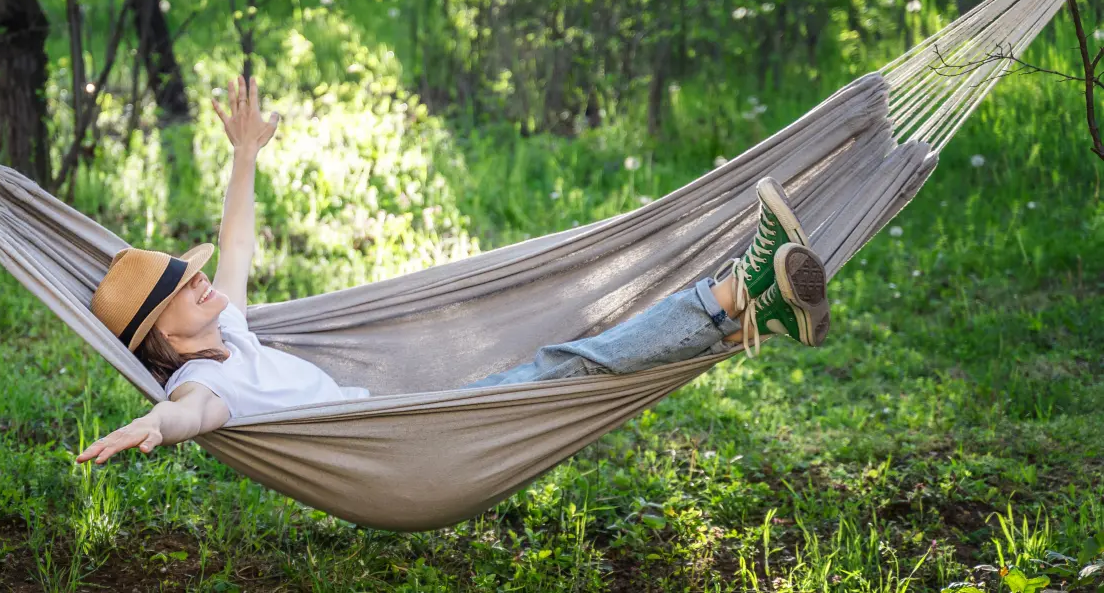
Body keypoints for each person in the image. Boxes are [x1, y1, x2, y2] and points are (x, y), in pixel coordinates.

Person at [75, 75, 831, 466]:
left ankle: (753, 308)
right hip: (402, 443)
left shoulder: (228, 330)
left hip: (401, 411)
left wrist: (244, 157)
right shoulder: (198, 384)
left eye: (186, 271)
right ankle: (731, 290)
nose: (198, 278)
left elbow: (233, 247)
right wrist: (152, 424)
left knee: (572, 359)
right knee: (568, 361)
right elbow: (188, 417)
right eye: (181, 287)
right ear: (163, 338)